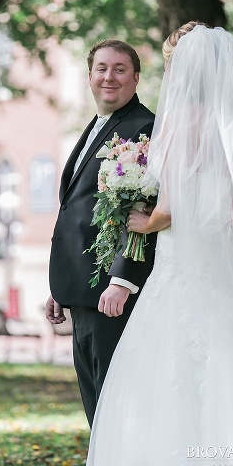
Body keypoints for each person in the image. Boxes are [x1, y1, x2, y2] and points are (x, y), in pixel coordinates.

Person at [84, 24, 233, 466]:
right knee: (224, 352)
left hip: (177, 258)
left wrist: (147, 221)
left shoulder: (172, 127)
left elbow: (167, 208)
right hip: (219, 257)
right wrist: (203, 211)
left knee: (168, 362)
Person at [45, 40, 156, 427]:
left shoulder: (144, 128)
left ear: (136, 78)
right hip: (84, 290)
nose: (109, 77)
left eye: (120, 69)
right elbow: (79, 211)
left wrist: (123, 279)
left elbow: (144, 213)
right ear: (90, 76)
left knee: (114, 402)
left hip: (112, 293)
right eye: (102, 68)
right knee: (96, 403)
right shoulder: (96, 127)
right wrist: (61, 286)